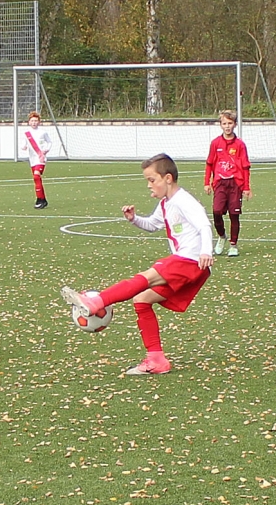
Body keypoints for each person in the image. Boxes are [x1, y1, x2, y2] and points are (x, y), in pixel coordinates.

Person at [61, 153, 213, 375]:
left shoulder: (184, 200)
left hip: (190, 260)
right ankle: (156, 360)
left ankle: (96, 302)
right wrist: (134, 219)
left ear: (168, 178)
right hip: (189, 263)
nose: (149, 185)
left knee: (147, 277)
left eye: (152, 180)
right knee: (142, 300)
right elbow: (152, 225)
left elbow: (204, 225)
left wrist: (207, 250)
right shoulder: (166, 204)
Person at [204, 110, 251, 257]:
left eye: (230, 123)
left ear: (235, 124)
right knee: (217, 212)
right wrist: (207, 182)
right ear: (220, 125)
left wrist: (247, 187)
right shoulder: (215, 143)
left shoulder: (240, 145)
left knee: (234, 214)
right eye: (224, 123)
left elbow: (245, 167)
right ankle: (222, 236)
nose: (227, 126)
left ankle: (233, 245)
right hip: (220, 183)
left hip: (236, 184)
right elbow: (209, 164)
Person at [20, 111, 52, 208]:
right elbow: (23, 143)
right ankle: (43, 199)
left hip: (41, 158)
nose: (34, 122)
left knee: (36, 176)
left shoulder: (43, 132)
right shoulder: (26, 133)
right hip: (32, 159)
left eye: (36, 121)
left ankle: (39, 200)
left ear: (39, 122)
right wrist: (23, 146)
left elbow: (49, 142)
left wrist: (46, 150)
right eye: (32, 121)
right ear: (29, 122)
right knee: (37, 179)